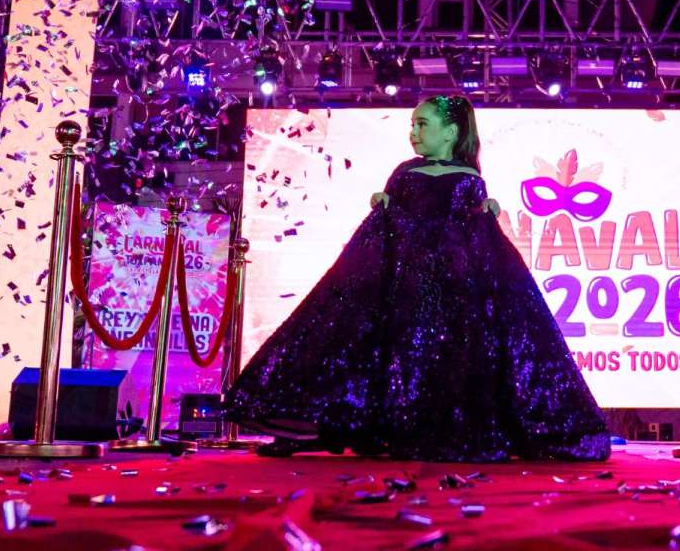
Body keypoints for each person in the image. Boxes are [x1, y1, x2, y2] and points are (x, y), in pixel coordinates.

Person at [225, 95, 610, 461]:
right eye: (412, 125)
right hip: (403, 283)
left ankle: (437, 428)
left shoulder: (469, 177)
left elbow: (468, 229)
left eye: (422, 124)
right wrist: (384, 203)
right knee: (380, 349)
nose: (414, 132)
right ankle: (344, 426)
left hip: (450, 288)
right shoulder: (405, 172)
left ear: (451, 132)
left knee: (448, 357)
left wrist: (485, 210)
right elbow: (394, 220)